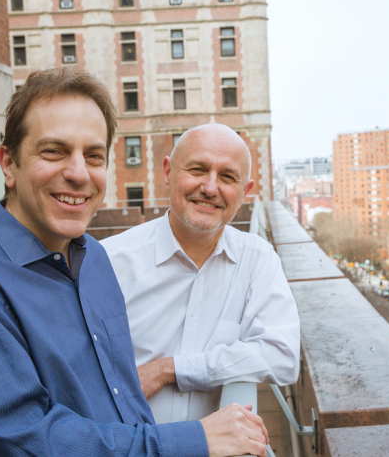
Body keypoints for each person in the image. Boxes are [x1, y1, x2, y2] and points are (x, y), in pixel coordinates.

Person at [0, 69, 268, 457]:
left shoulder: (92, 256)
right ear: (8, 164)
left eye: (93, 156)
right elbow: (28, 443)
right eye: (54, 151)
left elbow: (122, 400)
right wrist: (195, 439)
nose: (79, 174)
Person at [101, 124, 301, 423]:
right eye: (197, 170)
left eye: (227, 177)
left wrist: (170, 369)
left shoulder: (257, 260)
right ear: (168, 172)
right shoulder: (109, 261)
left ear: (245, 191)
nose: (210, 188)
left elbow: (282, 357)